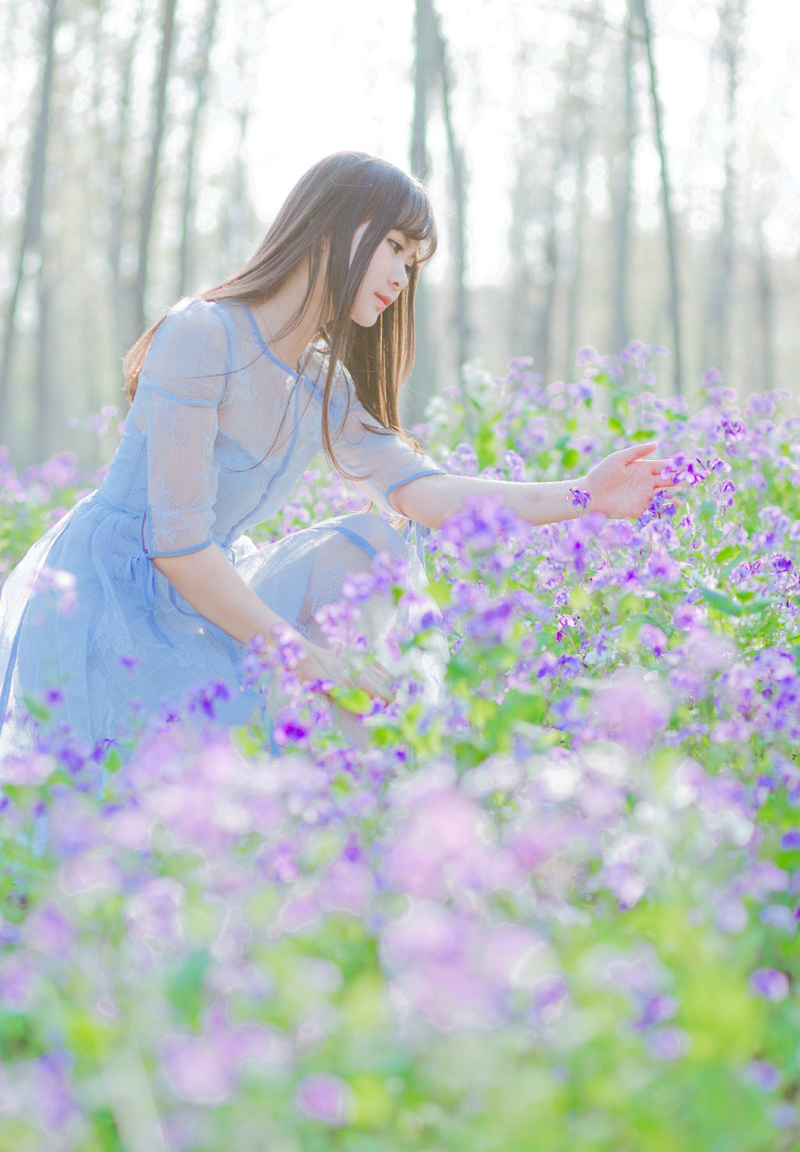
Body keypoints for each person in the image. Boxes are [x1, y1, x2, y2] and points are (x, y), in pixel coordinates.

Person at [0, 150, 679, 767]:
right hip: (114, 596)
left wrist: (585, 494)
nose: (400, 276)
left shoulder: (323, 384)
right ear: (330, 226)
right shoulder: (202, 333)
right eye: (393, 246)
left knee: (368, 545)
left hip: (204, 595)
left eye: (412, 262)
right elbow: (175, 545)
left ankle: (376, 804)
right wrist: (306, 660)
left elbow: (428, 494)